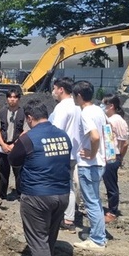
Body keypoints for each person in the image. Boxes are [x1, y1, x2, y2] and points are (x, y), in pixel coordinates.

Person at [8, 99, 71, 256]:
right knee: (50, 234)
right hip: (62, 194)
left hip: (37, 195)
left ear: (29, 118)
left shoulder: (28, 138)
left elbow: (13, 160)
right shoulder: (63, 135)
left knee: (37, 237)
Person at [72, 80, 108, 251]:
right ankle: (99, 234)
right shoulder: (99, 110)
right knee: (96, 201)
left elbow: (95, 136)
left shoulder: (86, 113)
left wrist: (92, 154)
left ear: (79, 96)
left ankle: (97, 240)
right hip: (100, 162)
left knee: (91, 202)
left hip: (89, 164)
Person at [48, 77, 81, 233]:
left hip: (62, 152)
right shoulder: (77, 106)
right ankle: (69, 215)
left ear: (61, 89)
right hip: (75, 152)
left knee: (63, 185)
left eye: (55, 88)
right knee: (69, 185)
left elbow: (56, 131)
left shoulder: (62, 107)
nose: (53, 91)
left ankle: (66, 218)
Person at [100, 94, 129, 224]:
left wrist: (120, 157)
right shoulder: (108, 119)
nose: (101, 106)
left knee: (111, 185)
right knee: (107, 183)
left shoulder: (117, 120)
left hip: (112, 156)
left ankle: (112, 211)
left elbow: (124, 143)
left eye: (104, 104)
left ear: (111, 106)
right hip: (107, 155)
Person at [0, 86, 25, 200]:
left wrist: (14, 145)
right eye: (10, 97)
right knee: (3, 172)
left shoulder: (23, 113)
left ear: (19, 99)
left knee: (19, 172)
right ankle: (2, 194)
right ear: (7, 99)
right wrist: (3, 144)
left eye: (15, 97)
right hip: (4, 146)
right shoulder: (2, 113)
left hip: (18, 147)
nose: (12, 99)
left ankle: (20, 194)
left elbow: (25, 131)